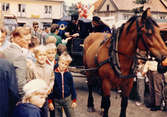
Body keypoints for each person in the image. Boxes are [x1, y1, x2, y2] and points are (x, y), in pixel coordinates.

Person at [26, 45, 54, 117]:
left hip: (45, 97)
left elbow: (52, 79)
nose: (42, 57)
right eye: (40, 55)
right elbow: (28, 81)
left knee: (44, 113)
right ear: (35, 56)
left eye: (44, 55)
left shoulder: (49, 68)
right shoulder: (32, 68)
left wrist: (50, 87)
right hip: (35, 98)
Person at [3, 27, 30, 98]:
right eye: (27, 39)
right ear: (17, 39)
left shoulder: (5, 51)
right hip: (14, 98)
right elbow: (20, 83)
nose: (29, 42)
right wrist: (23, 98)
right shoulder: (19, 56)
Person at [48, 52, 77, 117]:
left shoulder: (69, 75)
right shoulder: (53, 74)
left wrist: (74, 100)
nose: (63, 65)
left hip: (67, 99)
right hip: (56, 100)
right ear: (58, 62)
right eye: (62, 63)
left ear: (68, 65)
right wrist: (50, 102)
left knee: (71, 115)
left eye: (66, 64)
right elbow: (50, 89)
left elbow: (72, 87)